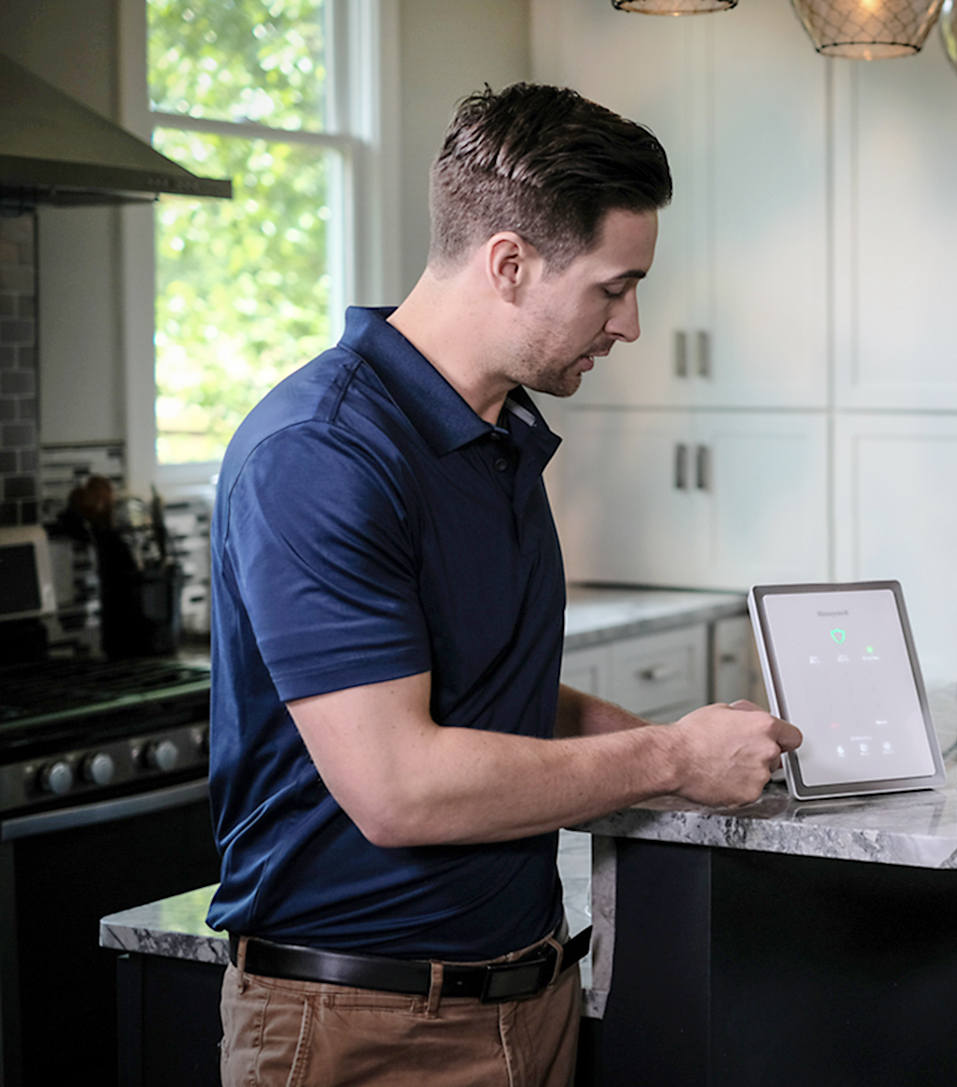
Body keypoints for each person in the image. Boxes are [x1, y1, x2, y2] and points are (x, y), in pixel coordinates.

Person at [207, 83, 802, 1086]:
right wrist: (667, 758)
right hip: (362, 1026)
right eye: (613, 288)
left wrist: (694, 744)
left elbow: (493, 690)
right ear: (510, 264)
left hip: (528, 1003)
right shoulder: (325, 453)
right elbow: (399, 787)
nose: (632, 324)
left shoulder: (492, 438)